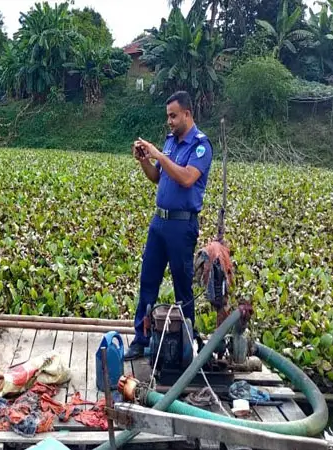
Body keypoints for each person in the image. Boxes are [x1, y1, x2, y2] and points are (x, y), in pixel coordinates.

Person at [124, 90, 213, 360]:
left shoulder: (200, 146)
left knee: (182, 285)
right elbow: (157, 177)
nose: (170, 121)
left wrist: (159, 155)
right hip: (159, 222)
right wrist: (144, 160)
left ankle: (186, 342)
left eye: (173, 116)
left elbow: (186, 178)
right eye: (168, 117)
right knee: (148, 280)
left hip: (181, 226)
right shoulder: (171, 142)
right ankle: (140, 338)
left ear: (187, 114)